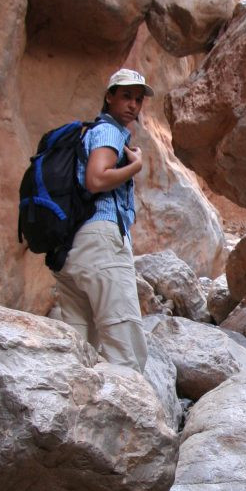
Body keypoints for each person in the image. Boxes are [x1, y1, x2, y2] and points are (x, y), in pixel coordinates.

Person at [54, 67, 153, 374]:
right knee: (126, 351)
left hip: (74, 248)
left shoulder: (91, 133)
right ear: (109, 97)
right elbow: (96, 179)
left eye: (138, 99)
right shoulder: (109, 131)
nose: (133, 105)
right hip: (102, 244)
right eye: (126, 96)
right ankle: (130, 408)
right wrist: (135, 166)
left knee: (77, 352)